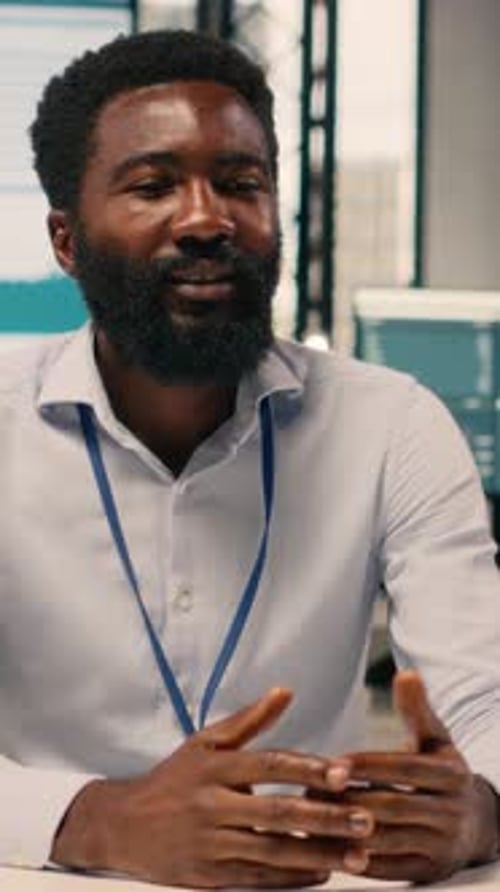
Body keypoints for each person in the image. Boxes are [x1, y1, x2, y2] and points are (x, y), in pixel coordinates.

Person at [1, 27, 499, 888]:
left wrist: (482, 807)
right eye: (153, 185)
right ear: (66, 239)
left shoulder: (392, 428)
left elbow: (485, 696)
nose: (206, 218)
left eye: (241, 183)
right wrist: (102, 818)